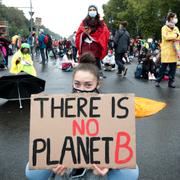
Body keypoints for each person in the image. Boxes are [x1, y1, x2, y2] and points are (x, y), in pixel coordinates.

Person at [25, 52, 139, 180]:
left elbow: (117, 143)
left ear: (98, 84)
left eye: (88, 85)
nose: (81, 89)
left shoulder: (111, 108)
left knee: (131, 173)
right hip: (66, 162)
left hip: (97, 162)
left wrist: (110, 164)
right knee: (32, 172)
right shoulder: (59, 107)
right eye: (77, 84)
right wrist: (51, 161)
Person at [75, 4, 110, 78]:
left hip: (96, 44)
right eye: (90, 10)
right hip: (86, 45)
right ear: (88, 12)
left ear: (96, 11)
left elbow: (105, 33)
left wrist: (98, 37)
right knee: (85, 60)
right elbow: (78, 34)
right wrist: (85, 33)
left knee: (96, 60)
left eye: (94, 10)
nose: (92, 11)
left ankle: (99, 73)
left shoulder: (101, 23)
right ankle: (83, 74)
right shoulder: (83, 22)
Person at [155, 12, 180, 88]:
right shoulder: (164, 28)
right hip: (166, 51)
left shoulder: (176, 28)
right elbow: (166, 37)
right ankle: (158, 81)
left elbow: (179, 37)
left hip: (174, 51)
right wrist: (175, 35)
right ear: (171, 18)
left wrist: (173, 36)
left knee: (173, 69)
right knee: (163, 68)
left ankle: (171, 82)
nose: (176, 19)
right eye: (175, 17)